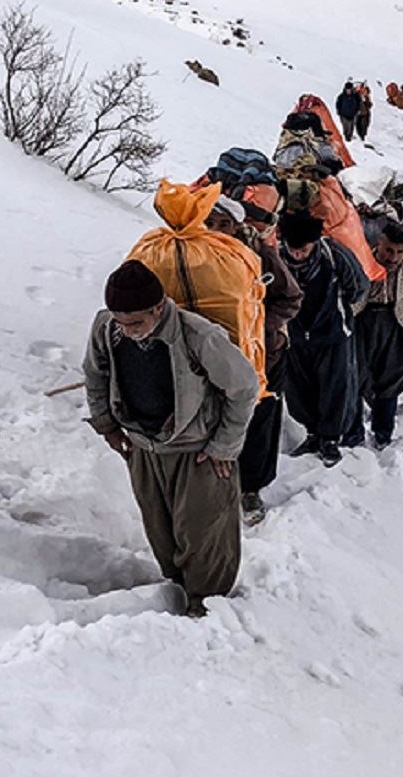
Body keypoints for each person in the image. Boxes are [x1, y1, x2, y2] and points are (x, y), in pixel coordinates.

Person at [83, 260, 260, 617]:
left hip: (197, 451)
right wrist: (107, 425)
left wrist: (223, 446)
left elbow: (243, 388)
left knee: (202, 535)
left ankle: (207, 608)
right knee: (161, 532)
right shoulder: (107, 328)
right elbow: (95, 373)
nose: (127, 331)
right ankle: (177, 592)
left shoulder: (199, 336)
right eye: (120, 322)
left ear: (158, 308)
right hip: (143, 447)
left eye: (136, 323)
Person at [205, 193, 302, 524]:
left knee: (259, 421)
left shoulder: (259, 252)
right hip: (213, 355)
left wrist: (256, 326)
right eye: (210, 223)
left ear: (237, 226)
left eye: (224, 224)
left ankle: (250, 489)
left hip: (264, 355)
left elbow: (290, 297)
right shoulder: (193, 252)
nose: (216, 230)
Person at [278, 210, 367, 466]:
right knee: (298, 388)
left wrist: (341, 313)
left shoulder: (335, 256)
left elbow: (358, 287)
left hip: (333, 334)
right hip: (295, 335)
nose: (297, 255)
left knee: (336, 387)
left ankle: (330, 439)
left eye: (303, 250)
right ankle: (312, 434)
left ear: (314, 243)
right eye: (293, 249)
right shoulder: (278, 260)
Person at [347, 220, 403, 449]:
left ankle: (383, 433)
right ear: (379, 244)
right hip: (364, 322)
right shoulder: (363, 259)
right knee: (355, 376)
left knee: (391, 380)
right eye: (388, 250)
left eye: (399, 252)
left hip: (397, 322)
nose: (393, 257)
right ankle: (353, 433)